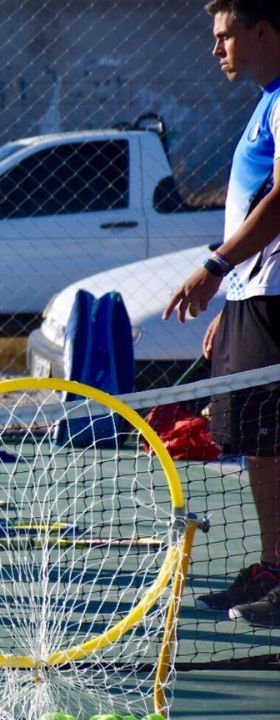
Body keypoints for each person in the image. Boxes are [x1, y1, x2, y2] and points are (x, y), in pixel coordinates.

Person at [163, 0, 280, 628]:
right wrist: (233, 295)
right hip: (256, 295)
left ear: (263, 30)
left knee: (275, 441)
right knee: (261, 442)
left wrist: (213, 269)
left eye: (226, 34)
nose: (217, 49)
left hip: (274, 298)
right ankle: (273, 567)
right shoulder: (266, 101)